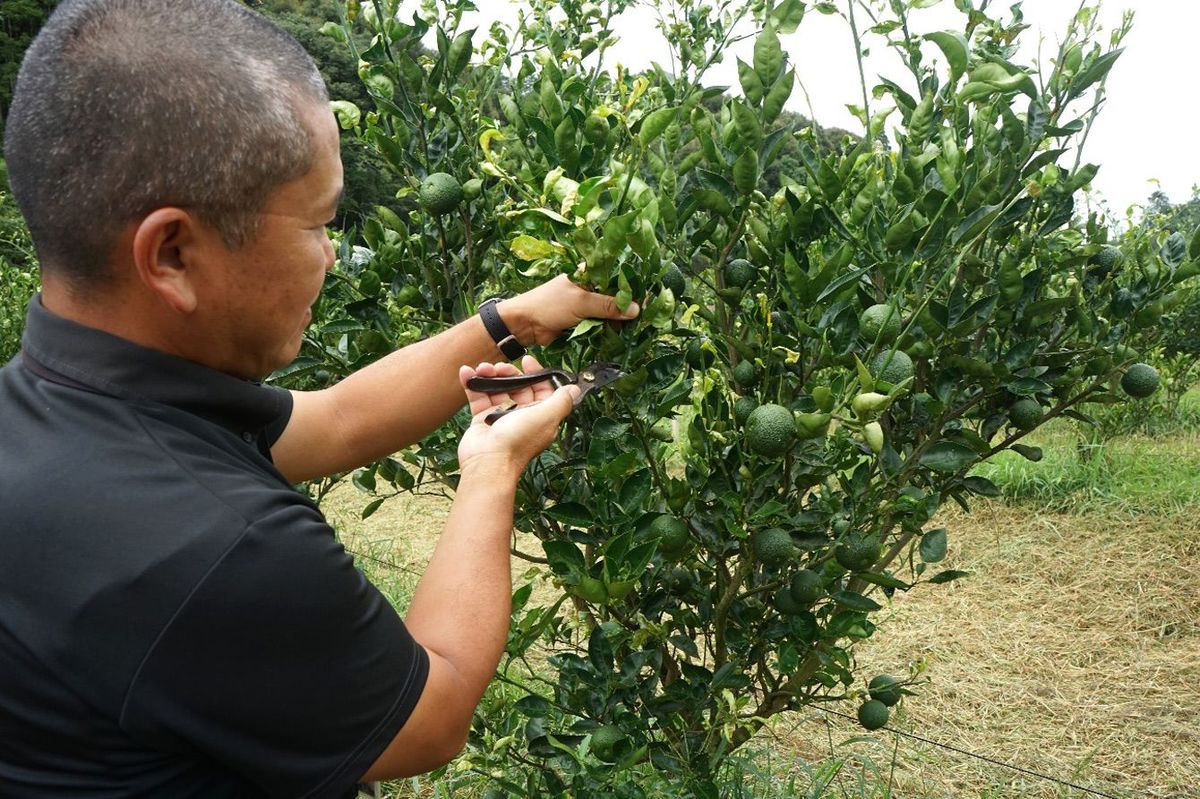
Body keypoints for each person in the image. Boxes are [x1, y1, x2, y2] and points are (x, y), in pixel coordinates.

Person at [0, 0, 637, 796]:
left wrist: (507, 324)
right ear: (172, 253)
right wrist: (493, 464)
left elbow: (334, 420)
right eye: (318, 225)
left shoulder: (63, 407)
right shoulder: (215, 547)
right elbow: (430, 715)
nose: (331, 257)